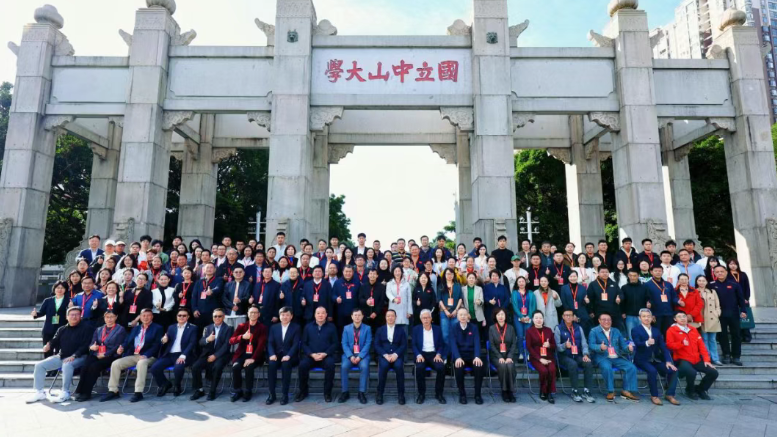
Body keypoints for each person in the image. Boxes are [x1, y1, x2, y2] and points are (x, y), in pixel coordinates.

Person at [27, 306, 92, 404]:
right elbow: (55, 340)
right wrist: (48, 345)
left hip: (80, 357)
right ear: (67, 317)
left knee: (67, 365)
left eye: (77, 315)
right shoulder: (62, 329)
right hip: (62, 356)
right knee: (39, 365)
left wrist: (74, 356)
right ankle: (39, 392)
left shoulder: (87, 328)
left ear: (80, 316)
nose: (74, 317)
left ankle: (65, 392)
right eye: (72, 315)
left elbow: (86, 345)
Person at [100, 309, 164, 403]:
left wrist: (146, 355)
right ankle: (113, 391)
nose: (146, 317)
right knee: (116, 364)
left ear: (152, 317)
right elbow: (127, 341)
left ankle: (138, 392)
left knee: (141, 363)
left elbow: (157, 345)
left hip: (150, 356)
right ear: (140, 317)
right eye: (143, 315)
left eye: (148, 315)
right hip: (135, 355)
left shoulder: (158, 328)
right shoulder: (136, 328)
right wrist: (122, 348)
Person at [73, 310, 127, 401]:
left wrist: (105, 354)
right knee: (85, 365)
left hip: (111, 355)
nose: (109, 319)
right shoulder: (99, 329)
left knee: (94, 366)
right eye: (107, 317)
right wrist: (92, 347)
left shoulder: (120, 329)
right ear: (104, 318)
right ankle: (80, 391)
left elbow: (118, 345)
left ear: (116, 317)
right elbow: (92, 342)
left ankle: (87, 393)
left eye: (112, 317)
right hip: (97, 354)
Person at [665, 311, 719, 400]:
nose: (682, 318)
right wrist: (681, 343)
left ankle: (700, 389)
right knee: (692, 372)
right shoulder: (671, 330)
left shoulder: (693, 329)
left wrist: (706, 360)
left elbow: (701, 346)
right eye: (679, 317)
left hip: (696, 359)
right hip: (682, 359)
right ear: (675, 319)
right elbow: (669, 345)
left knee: (713, 372)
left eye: (684, 316)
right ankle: (690, 390)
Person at [631, 309, 680, 405]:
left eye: (648, 316)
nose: (646, 318)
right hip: (642, 359)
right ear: (640, 318)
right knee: (652, 371)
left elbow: (663, 347)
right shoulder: (635, 330)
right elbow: (637, 343)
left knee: (673, 370)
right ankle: (654, 396)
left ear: (652, 318)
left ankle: (670, 394)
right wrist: (646, 342)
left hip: (655, 359)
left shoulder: (656, 331)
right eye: (644, 316)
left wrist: (668, 361)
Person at [588, 312, 639, 402]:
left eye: (609, 320)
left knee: (631, 367)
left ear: (611, 321)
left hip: (617, 356)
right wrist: (600, 347)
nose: (606, 321)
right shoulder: (594, 331)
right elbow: (591, 345)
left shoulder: (616, 331)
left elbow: (623, 346)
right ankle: (610, 391)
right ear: (599, 321)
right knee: (607, 368)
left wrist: (628, 348)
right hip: (603, 357)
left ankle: (626, 390)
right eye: (604, 320)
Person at [149, 308, 198, 397]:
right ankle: (164, 384)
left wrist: (183, 355)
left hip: (183, 354)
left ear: (188, 317)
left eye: (184, 315)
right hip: (169, 354)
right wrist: (163, 340)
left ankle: (177, 385)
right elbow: (165, 339)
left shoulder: (193, 328)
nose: (181, 317)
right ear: (176, 317)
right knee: (154, 368)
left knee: (178, 367)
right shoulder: (171, 327)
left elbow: (192, 343)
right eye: (179, 315)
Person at [190, 309, 234, 401]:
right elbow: (201, 342)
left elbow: (227, 345)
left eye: (219, 316)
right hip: (207, 354)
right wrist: (207, 340)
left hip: (222, 355)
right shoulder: (207, 328)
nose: (217, 318)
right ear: (212, 317)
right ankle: (199, 390)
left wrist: (215, 356)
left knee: (217, 367)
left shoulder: (229, 328)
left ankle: (212, 391)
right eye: (215, 316)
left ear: (223, 317)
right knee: (195, 367)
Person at [296, 306, 337, 402]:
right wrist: (311, 354)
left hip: (326, 356)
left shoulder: (332, 327)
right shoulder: (308, 327)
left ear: (326, 315)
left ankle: (327, 393)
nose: (320, 315)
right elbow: (304, 343)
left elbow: (335, 343)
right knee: (302, 365)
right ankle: (303, 392)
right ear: (314, 315)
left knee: (331, 365)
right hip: (311, 356)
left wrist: (326, 353)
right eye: (318, 313)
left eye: (323, 313)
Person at [554, 309, 596, 403]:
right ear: (563, 317)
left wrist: (585, 354)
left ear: (574, 317)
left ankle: (587, 391)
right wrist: (565, 345)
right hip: (564, 356)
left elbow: (584, 343)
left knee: (588, 363)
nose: (568, 317)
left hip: (577, 355)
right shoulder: (558, 328)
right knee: (573, 364)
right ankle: (575, 391)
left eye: (570, 315)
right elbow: (557, 347)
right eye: (566, 315)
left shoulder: (578, 328)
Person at [708, 265, 746, 366]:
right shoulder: (711, 285)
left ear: (726, 272)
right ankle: (726, 355)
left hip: (734, 313)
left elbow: (741, 299)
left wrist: (743, 310)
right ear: (714, 273)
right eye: (717, 272)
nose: (720, 273)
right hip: (719, 315)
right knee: (722, 335)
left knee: (736, 335)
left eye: (722, 271)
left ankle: (736, 356)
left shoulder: (734, 284)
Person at [229, 306, 268, 402]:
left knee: (249, 367)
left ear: (259, 314)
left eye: (255, 312)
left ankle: (248, 391)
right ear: (248, 314)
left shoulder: (262, 327)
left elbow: (261, 345)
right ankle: (237, 391)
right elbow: (231, 340)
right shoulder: (242, 326)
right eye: (251, 312)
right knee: (235, 367)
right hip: (241, 354)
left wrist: (253, 358)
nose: (253, 314)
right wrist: (242, 337)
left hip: (256, 355)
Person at [450, 307, 485, 405]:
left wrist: (477, 356)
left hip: (472, 355)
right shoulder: (453, 327)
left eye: (465, 314)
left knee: (479, 366)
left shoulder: (473, 327)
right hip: (460, 355)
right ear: (457, 317)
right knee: (458, 367)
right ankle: (462, 394)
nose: (463, 317)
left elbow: (477, 342)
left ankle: (477, 395)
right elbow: (453, 344)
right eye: (460, 315)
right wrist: (457, 357)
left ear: (468, 316)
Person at [266, 307, 300, 405]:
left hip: (290, 356)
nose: (285, 317)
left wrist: (289, 355)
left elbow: (296, 344)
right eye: (283, 315)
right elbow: (270, 342)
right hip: (276, 355)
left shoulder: (296, 327)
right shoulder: (274, 327)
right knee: (271, 364)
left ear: (291, 316)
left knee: (286, 364)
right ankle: (272, 394)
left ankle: (285, 395)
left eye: (287, 315)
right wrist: (272, 354)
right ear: (279, 316)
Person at [412, 309, 447, 404]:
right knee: (419, 368)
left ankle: (439, 393)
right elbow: (414, 345)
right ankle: (421, 394)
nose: (426, 320)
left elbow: (441, 344)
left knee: (441, 368)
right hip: (421, 354)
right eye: (424, 318)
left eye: (428, 317)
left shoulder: (437, 329)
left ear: (431, 318)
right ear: (421, 319)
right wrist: (418, 355)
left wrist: (438, 354)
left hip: (434, 354)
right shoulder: (416, 329)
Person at [338, 308, 372, 404]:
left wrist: (360, 356)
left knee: (364, 367)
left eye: (359, 315)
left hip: (362, 355)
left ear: (362, 316)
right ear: (352, 317)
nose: (357, 317)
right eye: (355, 315)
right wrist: (350, 356)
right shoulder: (346, 328)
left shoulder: (367, 328)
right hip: (349, 355)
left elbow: (368, 343)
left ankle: (361, 392)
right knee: (344, 367)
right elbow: (344, 343)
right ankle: (345, 392)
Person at [32, 280, 71, 358]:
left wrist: (70, 307)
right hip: (48, 329)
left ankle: (57, 365)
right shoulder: (48, 300)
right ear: (54, 289)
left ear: (65, 289)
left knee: (59, 350)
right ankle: (48, 365)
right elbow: (41, 312)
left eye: (62, 288)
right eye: (58, 288)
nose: (60, 290)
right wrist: (35, 314)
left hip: (62, 328)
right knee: (47, 349)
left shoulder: (69, 300)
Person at [526, 310, 557, 402]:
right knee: (543, 370)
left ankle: (550, 392)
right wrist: (540, 359)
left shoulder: (548, 330)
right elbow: (529, 347)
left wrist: (549, 345)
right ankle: (543, 390)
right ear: (533, 319)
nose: (538, 320)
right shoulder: (529, 331)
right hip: (536, 357)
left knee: (552, 369)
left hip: (549, 357)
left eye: (540, 318)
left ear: (543, 319)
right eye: (536, 318)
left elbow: (554, 346)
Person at [489, 308, 518, 402]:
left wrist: (509, 356)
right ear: (495, 317)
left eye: (502, 314)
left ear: (505, 316)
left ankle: (511, 391)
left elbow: (514, 343)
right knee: (502, 365)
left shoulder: (511, 328)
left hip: (509, 355)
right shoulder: (492, 328)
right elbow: (492, 345)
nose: (500, 317)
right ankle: (504, 390)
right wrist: (500, 357)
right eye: (498, 315)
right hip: (496, 356)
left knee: (510, 365)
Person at [587, 266, 624, 331]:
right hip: (598, 313)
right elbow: (590, 298)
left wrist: (620, 298)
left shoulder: (614, 284)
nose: (605, 273)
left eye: (606, 272)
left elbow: (621, 294)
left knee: (614, 331)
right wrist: (590, 311)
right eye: (602, 272)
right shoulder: (593, 284)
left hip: (613, 313)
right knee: (600, 331)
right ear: (598, 273)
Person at [697, 276, 723, 365]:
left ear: (706, 282)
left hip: (712, 318)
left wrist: (717, 313)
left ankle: (715, 358)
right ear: (697, 282)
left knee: (712, 339)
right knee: (704, 339)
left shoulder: (712, 291)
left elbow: (717, 305)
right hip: (701, 319)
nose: (701, 282)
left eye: (703, 280)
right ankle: (707, 358)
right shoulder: (694, 291)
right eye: (699, 280)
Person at [191, 264, 224, 335]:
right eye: (207, 267)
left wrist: (212, 291)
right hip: (199, 312)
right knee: (199, 333)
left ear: (214, 270)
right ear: (204, 270)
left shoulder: (219, 280)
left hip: (212, 312)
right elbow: (194, 296)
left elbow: (218, 288)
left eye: (211, 267)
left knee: (211, 333)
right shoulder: (199, 282)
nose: (209, 269)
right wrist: (194, 309)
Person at [620, 270, 650, 340]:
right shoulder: (624, 287)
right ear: (628, 276)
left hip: (642, 315)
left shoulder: (644, 287)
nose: (632, 277)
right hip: (629, 315)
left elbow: (648, 298)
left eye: (634, 276)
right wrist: (623, 312)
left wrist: (649, 303)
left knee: (643, 334)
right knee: (631, 335)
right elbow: (622, 301)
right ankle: (632, 346)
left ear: (638, 276)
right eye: (631, 276)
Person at [727, 259, 752, 342]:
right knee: (736, 319)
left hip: (743, 300)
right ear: (728, 265)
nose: (733, 266)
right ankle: (739, 335)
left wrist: (746, 298)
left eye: (734, 264)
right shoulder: (727, 275)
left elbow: (747, 287)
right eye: (731, 264)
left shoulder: (742, 274)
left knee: (745, 318)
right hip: (733, 300)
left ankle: (747, 335)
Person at [438, 267, 463, 350]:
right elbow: (439, 300)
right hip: (444, 313)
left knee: (455, 333)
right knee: (445, 334)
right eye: (448, 274)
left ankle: (454, 353)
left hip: (455, 312)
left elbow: (460, 298)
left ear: (453, 275)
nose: (449, 276)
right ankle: (448, 353)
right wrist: (445, 311)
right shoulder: (441, 285)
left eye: (451, 274)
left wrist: (456, 310)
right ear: (445, 275)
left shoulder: (457, 285)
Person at [511, 276, 535, 360]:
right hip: (518, 318)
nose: (521, 283)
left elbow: (533, 305)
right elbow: (514, 305)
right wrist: (521, 316)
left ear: (525, 283)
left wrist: (529, 316)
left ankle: (528, 353)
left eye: (523, 281)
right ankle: (521, 353)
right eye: (519, 281)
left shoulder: (531, 293)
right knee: (520, 335)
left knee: (528, 335)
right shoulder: (514, 293)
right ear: (517, 283)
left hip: (529, 317)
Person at [386, 265, 413, 337]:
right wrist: (393, 298)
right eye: (396, 271)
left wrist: (409, 311)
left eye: (399, 271)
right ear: (393, 273)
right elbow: (388, 293)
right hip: (393, 307)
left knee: (404, 333)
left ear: (401, 272)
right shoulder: (389, 283)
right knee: (393, 333)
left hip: (404, 310)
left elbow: (409, 298)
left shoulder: (406, 284)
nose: (397, 273)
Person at [333, 265, 360, 335]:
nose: (348, 273)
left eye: (350, 272)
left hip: (354, 312)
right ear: (343, 272)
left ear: (353, 272)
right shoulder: (337, 282)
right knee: (341, 331)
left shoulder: (357, 282)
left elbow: (360, 296)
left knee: (353, 332)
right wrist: (336, 298)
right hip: (341, 312)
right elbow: (333, 295)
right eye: (346, 271)